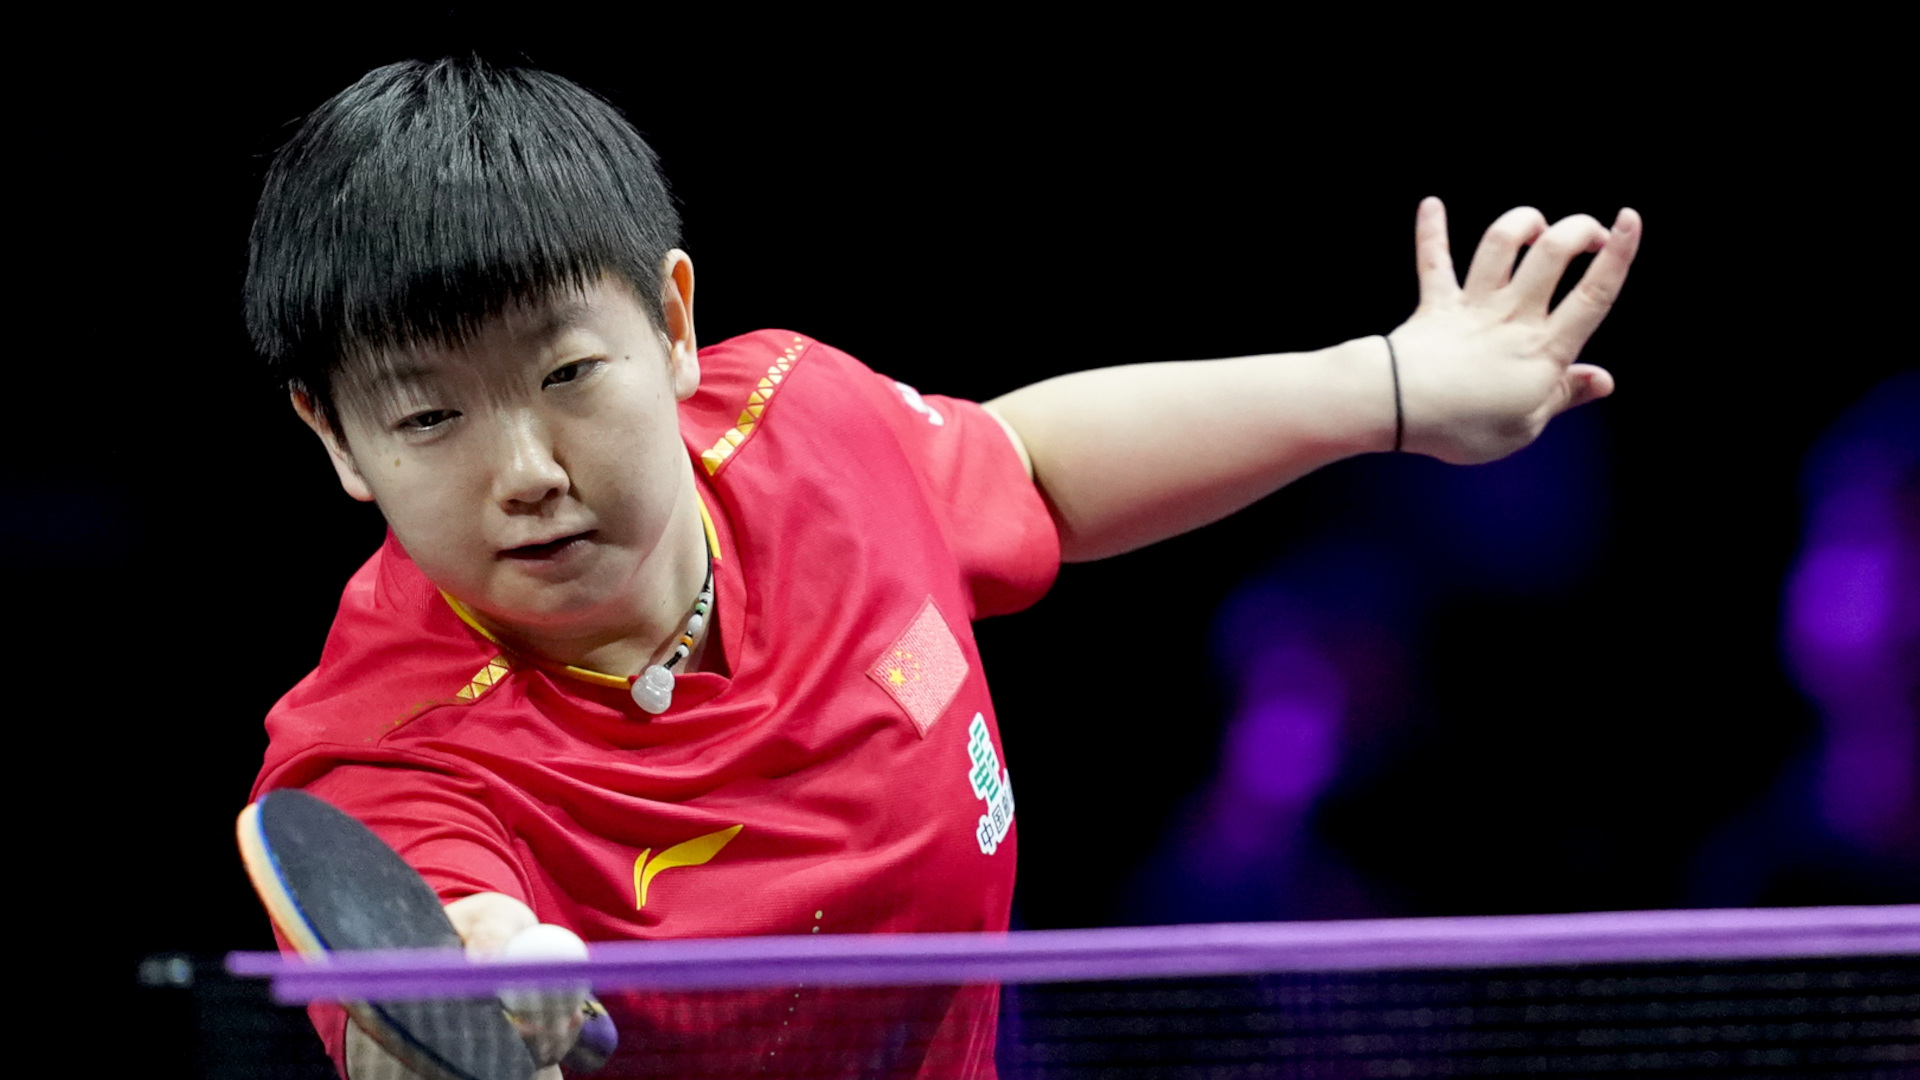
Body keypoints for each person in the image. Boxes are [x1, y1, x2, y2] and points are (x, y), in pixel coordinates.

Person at [244, 56, 1640, 1079]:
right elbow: (428, 943)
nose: (527, 471)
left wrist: (1392, 385)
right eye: (428, 417)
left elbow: (1028, 471)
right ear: (336, 437)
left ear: (671, 325)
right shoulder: (378, 755)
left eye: (566, 374)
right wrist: (480, 991)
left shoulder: (804, 427)